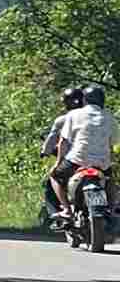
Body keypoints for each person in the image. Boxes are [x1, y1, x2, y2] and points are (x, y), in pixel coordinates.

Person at [51, 84, 115, 221]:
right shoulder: (109, 117)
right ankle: (111, 209)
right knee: (110, 181)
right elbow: (112, 143)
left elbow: (63, 142)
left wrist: (57, 163)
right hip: (102, 163)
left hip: (77, 160)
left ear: (85, 100)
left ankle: (67, 210)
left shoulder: (74, 115)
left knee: (55, 176)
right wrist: (110, 160)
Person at [42, 86, 86, 223]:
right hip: (97, 158)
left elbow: (54, 140)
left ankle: (59, 213)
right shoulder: (93, 117)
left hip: (72, 160)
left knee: (51, 180)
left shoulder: (62, 120)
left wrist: (45, 152)